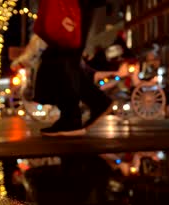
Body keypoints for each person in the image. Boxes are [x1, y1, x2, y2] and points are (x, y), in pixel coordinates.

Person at [12, 0, 128, 136]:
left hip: (75, 5)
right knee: (62, 55)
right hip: (76, 5)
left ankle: (73, 118)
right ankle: (92, 104)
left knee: (63, 54)